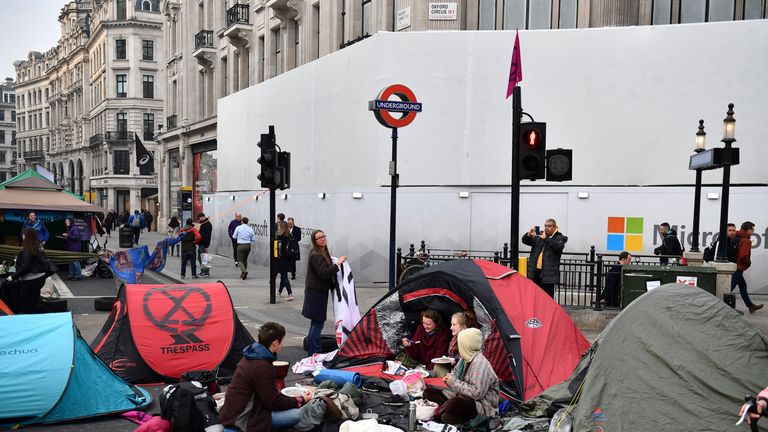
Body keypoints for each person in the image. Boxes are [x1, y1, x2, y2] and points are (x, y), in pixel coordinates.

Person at [219, 322, 311, 432]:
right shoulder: (261, 366)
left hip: (232, 412)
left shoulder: (251, 355)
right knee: (296, 414)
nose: (282, 345)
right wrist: (300, 400)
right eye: (282, 342)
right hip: (243, 419)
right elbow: (273, 402)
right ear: (275, 343)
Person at [424, 328, 499, 425]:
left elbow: (476, 393)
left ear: (466, 345)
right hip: (460, 395)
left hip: (480, 405)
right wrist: (449, 378)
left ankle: (437, 414)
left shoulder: (480, 364)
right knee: (429, 392)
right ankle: (448, 415)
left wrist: (453, 381)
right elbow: (455, 375)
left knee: (455, 402)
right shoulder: (465, 358)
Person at [302, 230, 345, 355]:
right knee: (318, 324)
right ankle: (315, 352)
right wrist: (338, 263)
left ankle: (313, 351)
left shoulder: (322, 252)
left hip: (318, 292)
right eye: (319, 238)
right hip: (316, 293)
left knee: (316, 323)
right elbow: (324, 273)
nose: (322, 239)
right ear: (314, 241)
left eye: (323, 236)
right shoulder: (316, 254)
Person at [521, 219, 568, 298]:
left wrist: (546, 238)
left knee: (547, 297)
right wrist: (528, 235)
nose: (546, 228)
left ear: (555, 227)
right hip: (536, 272)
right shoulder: (540, 236)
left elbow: (558, 246)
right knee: (536, 296)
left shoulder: (559, 237)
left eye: (549, 226)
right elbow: (525, 241)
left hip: (548, 274)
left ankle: (548, 310)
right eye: (545, 225)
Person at [9, 229, 51, 314]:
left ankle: (36, 317)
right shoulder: (38, 246)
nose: (22, 236)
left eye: (23, 235)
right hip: (40, 278)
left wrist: (12, 277)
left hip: (30, 279)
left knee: (27, 304)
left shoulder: (28, 249)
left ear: (26, 236)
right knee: (34, 300)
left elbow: (25, 266)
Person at [733, 221, 762, 313]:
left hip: (732, 264)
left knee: (743, 285)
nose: (753, 231)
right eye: (752, 229)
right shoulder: (746, 240)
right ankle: (716, 303)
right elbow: (743, 256)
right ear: (748, 230)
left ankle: (750, 306)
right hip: (738, 267)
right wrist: (748, 262)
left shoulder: (736, 235)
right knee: (729, 287)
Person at [434, 311, 475, 378]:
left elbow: (468, 364)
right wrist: (449, 360)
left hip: (465, 375)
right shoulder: (454, 340)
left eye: (454, 325)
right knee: (438, 366)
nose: (451, 328)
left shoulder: (469, 341)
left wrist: (455, 361)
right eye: (451, 324)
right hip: (454, 371)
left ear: (464, 327)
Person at [274, 221, 294, 301]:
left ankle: (290, 294)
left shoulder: (280, 237)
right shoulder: (289, 235)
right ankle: (279, 292)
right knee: (283, 275)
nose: (278, 228)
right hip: (288, 259)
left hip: (280, 259)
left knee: (284, 276)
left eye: (279, 226)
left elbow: (277, 250)